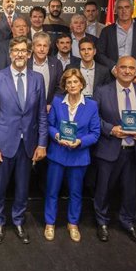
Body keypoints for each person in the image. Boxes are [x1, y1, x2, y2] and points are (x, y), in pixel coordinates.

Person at [0, 36, 48, 245]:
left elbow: (41, 115)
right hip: (3, 144)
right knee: (0, 187)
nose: (20, 54)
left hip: (28, 144)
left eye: (24, 50)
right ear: (10, 53)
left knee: (23, 187)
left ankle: (19, 220)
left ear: (29, 54)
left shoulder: (38, 78)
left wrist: (42, 143)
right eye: (16, 50)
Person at [92, 56, 136, 244]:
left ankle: (128, 222)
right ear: (116, 70)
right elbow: (94, 118)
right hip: (110, 149)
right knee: (103, 189)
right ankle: (101, 222)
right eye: (123, 67)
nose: (127, 71)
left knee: (131, 191)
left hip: (135, 150)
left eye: (131, 68)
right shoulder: (102, 91)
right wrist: (111, 129)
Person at [44, 69, 100, 242]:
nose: (72, 85)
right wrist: (56, 136)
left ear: (82, 84)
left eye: (75, 82)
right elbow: (49, 126)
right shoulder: (57, 101)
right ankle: (50, 223)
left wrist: (80, 142)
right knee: (52, 191)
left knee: (76, 192)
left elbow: (95, 132)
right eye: (68, 83)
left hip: (78, 156)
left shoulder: (91, 105)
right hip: (58, 154)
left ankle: (73, 223)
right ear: (64, 86)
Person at [96, 0, 136, 86]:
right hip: (113, 78)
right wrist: (112, 67)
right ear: (115, 10)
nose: (124, 11)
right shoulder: (107, 31)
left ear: (132, 9)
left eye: (127, 7)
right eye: (120, 8)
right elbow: (99, 54)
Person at [27, 31, 63, 107]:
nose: (42, 49)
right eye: (39, 45)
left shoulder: (56, 63)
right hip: (28, 109)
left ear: (49, 48)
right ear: (33, 47)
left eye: (45, 46)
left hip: (48, 108)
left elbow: (60, 87)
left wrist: (52, 104)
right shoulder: (25, 63)